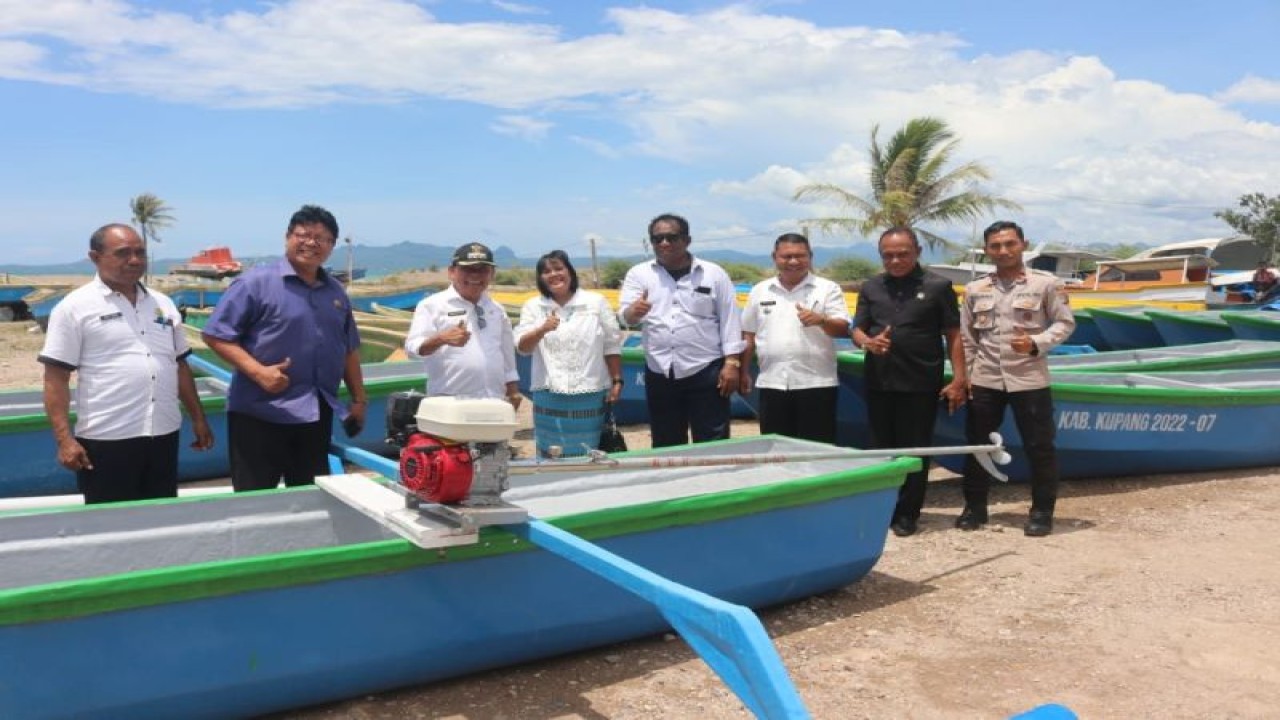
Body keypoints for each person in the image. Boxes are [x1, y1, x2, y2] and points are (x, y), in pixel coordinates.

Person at [39, 223, 214, 503]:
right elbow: (55, 378)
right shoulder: (74, 308)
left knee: (161, 519)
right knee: (110, 526)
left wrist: (198, 419)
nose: (134, 260)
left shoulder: (163, 304)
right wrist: (64, 440)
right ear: (95, 258)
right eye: (122, 253)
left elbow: (179, 365)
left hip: (163, 433)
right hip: (107, 440)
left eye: (140, 252)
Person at [202, 205, 366, 492]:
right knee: (254, 500)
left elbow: (349, 348)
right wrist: (259, 372)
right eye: (304, 234)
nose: (312, 243)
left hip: (316, 413)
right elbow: (216, 335)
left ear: (331, 246)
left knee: (310, 499)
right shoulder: (254, 283)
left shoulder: (336, 292)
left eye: (322, 238)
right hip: (260, 413)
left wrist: (359, 400)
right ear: (288, 237)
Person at [959, 220, 1075, 537]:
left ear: (1023, 244)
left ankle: (1041, 513)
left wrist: (1037, 343)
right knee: (978, 445)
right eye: (995, 246)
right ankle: (975, 508)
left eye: (1010, 243)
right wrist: (967, 375)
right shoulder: (975, 289)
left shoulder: (1046, 284)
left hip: (1029, 378)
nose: (1003, 250)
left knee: (1039, 446)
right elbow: (968, 337)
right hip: (985, 379)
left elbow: (1065, 323)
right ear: (987, 251)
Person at [852, 226, 967, 537]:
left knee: (914, 450)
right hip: (879, 382)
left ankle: (907, 513)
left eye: (902, 253)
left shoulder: (938, 286)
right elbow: (857, 329)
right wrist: (867, 342)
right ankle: (880, 508)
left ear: (917, 252)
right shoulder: (872, 286)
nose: (896, 260)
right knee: (880, 450)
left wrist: (959, 379)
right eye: (888, 255)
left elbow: (954, 335)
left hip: (920, 383)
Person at [618, 213, 745, 447]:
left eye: (671, 237)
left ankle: (712, 483)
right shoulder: (639, 274)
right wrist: (633, 312)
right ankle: (673, 483)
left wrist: (732, 364)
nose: (664, 243)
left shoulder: (714, 274)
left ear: (687, 240)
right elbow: (624, 315)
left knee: (712, 441)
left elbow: (730, 320)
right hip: (660, 370)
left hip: (706, 370)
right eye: (657, 239)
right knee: (666, 440)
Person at [739, 233, 849, 443]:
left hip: (816, 384)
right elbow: (748, 335)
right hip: (772, 383)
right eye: (786, 256)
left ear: (810, 256)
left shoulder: (828, 289)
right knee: (776, 448)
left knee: (817, 448)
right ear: (774, 257)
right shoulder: (760, 290)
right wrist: (743, 371)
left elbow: (842, 329)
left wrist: (821, 320)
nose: (793, 261)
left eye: (800, 256)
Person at [514, 250, 624, 457]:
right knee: (550, 453)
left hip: (590, 392)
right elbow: (523, 348)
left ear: (570, 272)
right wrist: (541, 330)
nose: (554, 274)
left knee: (588, 452)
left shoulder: (595, 302)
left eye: (558, 268)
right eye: (546, 271)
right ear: (541, 278)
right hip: (549, 394)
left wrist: (617, 381)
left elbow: (611, 345)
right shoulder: (533, 306)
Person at [404, 242, 520, 407]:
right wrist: (441, 339)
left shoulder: (497, 309)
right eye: (468, 269)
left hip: (494, 402)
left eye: (482, 270)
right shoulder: (431, 305)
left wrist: (513, 391)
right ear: (452, 272)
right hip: (450, 404)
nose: (475, 276)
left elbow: (507, 356)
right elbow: (412, 349)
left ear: (492, 274)